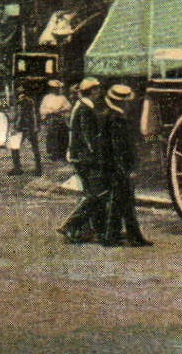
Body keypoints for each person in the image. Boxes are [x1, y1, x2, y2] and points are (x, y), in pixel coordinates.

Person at [99, 84, 150, 247]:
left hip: (116, 166)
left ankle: (123, 236)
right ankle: (124, 236)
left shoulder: (112, 115)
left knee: (122, 202)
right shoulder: (116, 119)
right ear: (122, 103)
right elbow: (117, 147)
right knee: (122, 202)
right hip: (118, 167)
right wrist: (126, 170)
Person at [57, 77, 106, 243]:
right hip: (84, 157)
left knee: (93, 193)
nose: (99, 92)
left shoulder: (82, 106)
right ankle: (70, 225)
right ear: (92, 91)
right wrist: (97, 155)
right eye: (97, 89)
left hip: (80, 156)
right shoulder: (85, 109)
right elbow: (88, 137)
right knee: (93, 194)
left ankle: (94, 229)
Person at [8, 92, 41, 176]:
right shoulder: (29, 101)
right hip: (26, 127)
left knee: (32, 147)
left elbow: (23, 115)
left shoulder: (27, 101)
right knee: (33, 147)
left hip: (26, 127)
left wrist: (15, 127)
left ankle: (20, 168)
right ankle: (36, 168)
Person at [39, 80, 71, 162]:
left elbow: (68, 107)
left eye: (57, 88)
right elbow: (42, 109)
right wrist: (50, 111)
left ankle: (62, 153)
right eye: (54, 88)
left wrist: (61, 110)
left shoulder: (62, 98)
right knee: (52, 135)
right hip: (51, 119)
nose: (56, 90)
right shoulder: (47, 98)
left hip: (60, 119)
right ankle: (53, 153)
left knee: (62, 135)